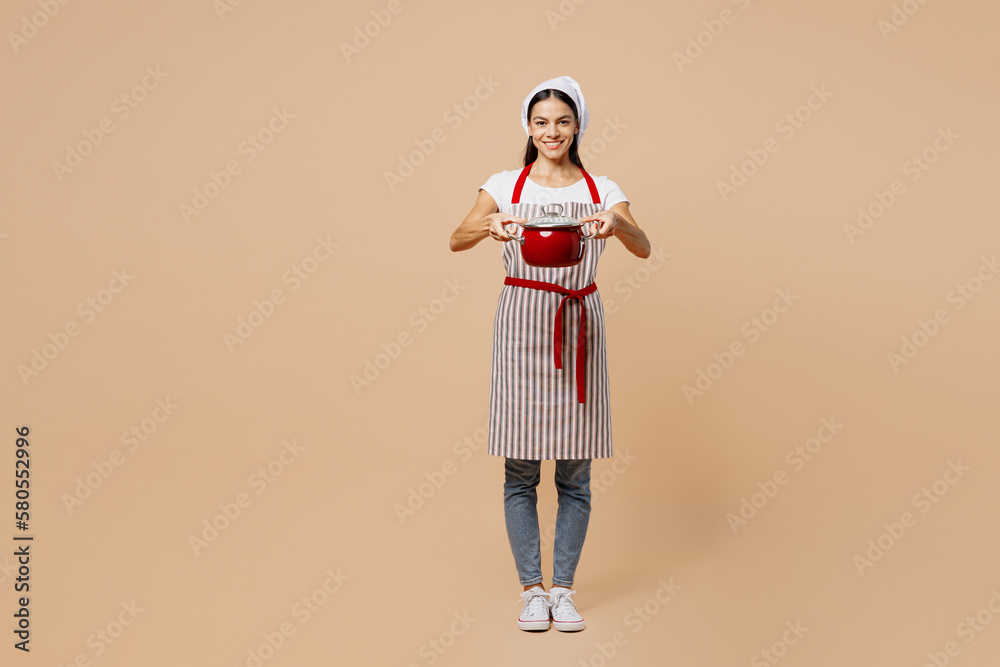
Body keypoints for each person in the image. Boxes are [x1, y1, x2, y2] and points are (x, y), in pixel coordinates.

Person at [449, 75, 650, 632]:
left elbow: (643, 245)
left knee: (575, 474)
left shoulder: (601, 187)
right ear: (528, 128)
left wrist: (618, 221)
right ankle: (531, 591)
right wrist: (489, 222)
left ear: (577, 125)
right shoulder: (503, 184)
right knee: (520, 471)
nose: (551, 131)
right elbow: (456, 237)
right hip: (521, 326)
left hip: (579, 325)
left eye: (562, 121)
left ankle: (563, 590)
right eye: (541, 122)